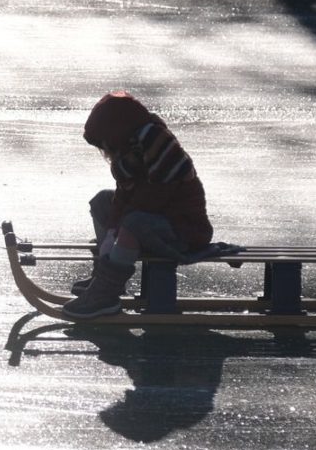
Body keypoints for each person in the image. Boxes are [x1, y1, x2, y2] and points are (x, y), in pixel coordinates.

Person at [63, 92, 212, 320]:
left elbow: (155, 197)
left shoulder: (160, 146)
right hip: (153, 225)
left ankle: (106, 295)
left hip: (183, 230)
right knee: (103, 201)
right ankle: (105, 276)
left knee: (134, 221)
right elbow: (124, 196)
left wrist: (120, 229)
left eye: (105, 143)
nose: (105, 150)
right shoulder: (129, 152)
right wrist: (112, 229)